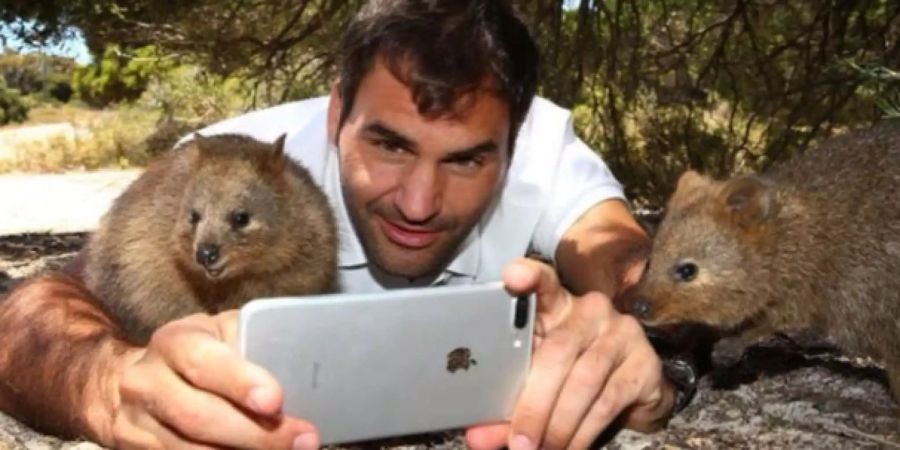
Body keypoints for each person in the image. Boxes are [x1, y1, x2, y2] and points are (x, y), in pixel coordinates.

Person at [0, 1, 687, 449]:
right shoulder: (238, 159)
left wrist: (639, 351)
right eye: (388, 145)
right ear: (335, 116)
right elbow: (34, 311)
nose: (419, 203)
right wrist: (106, 385)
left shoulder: (544, 151)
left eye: (469, 158)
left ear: (514, 138)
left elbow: (627, 265)